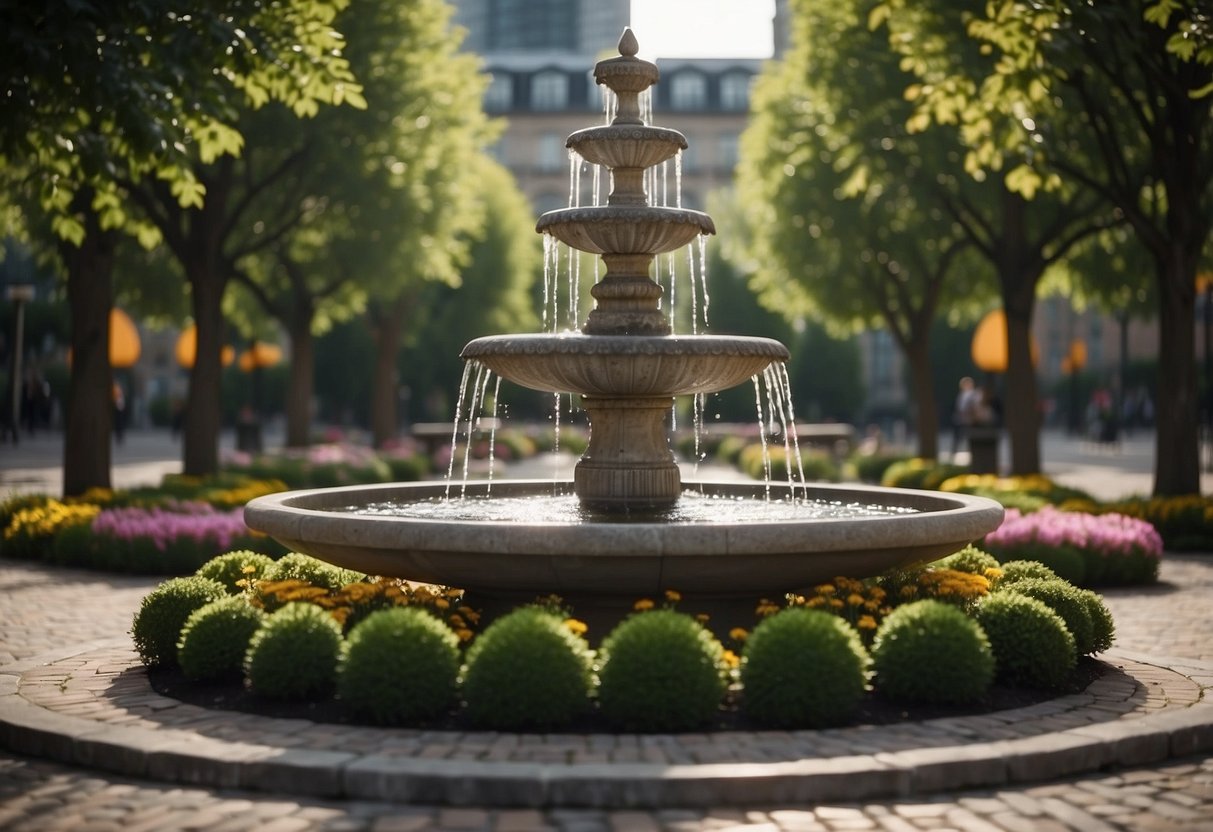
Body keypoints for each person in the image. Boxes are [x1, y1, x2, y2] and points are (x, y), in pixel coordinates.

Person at [951, 376, 979, 459]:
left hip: (968, 420)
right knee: (958, 438)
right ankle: (954, 453)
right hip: (961, 420)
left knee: (969, 438)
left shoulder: (973, 394)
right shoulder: (961, 395)